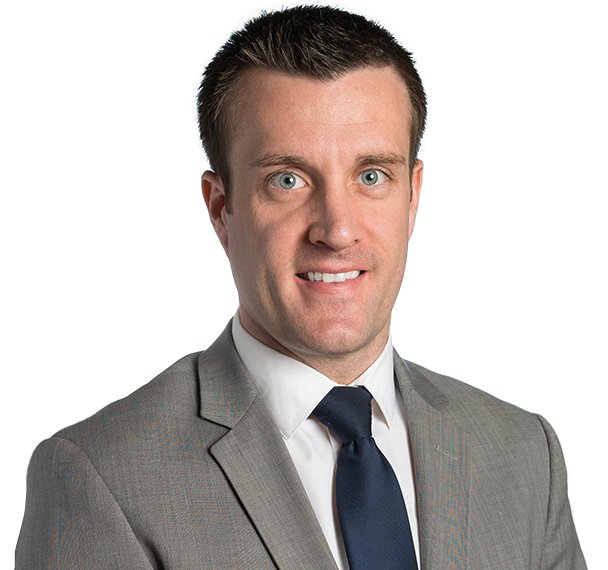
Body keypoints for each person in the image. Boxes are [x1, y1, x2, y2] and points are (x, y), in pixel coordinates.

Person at [16, 5, 586, 569]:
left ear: (413, 196)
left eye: (371, 176)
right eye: (287, 180)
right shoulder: (102, 480)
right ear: (221, 207)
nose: (336, 230)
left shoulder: (524, 454)